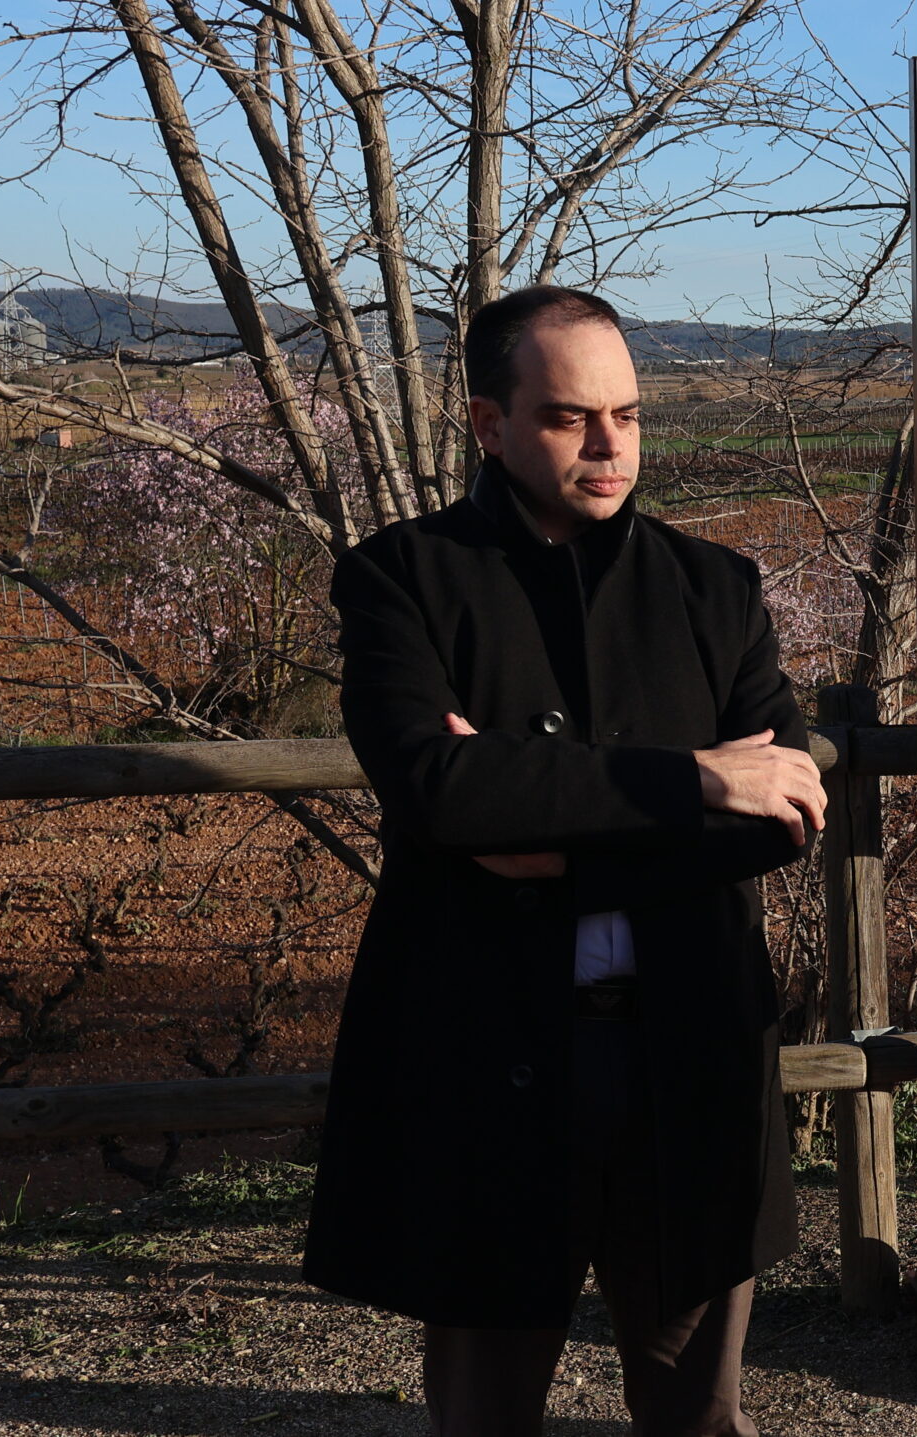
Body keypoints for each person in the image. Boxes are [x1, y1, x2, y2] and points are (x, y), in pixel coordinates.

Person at [304, 285, 830, 1437]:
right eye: (569, 417)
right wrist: (694, 781)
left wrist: (555, 840)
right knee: (485, 1420)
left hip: (691, 1066)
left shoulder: (715, 588)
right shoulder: (401, 578)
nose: (609, 445)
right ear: (489, 425)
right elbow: (441, 792)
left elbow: (783, 812)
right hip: (486, 1065)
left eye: (627, 415)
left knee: (700, 1420)